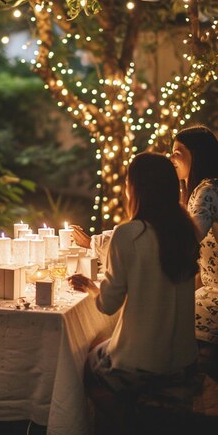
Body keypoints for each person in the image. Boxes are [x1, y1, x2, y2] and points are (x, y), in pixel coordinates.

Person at [69, 153, 199, 433]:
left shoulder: (129, 234)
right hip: (184, 361)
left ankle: (128, 424)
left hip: (142, 365)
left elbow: (107, 304)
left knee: (89, 359)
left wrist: (91, 287)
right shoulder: (185, 230)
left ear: (135, 189)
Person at [170, 125, 218, 369]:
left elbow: (187, 238)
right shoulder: (201, 189)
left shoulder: (207, 191)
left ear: (197, 154)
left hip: (215, 295)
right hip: (208, 288)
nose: (171, 158)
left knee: (164, 319)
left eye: (178, 151)